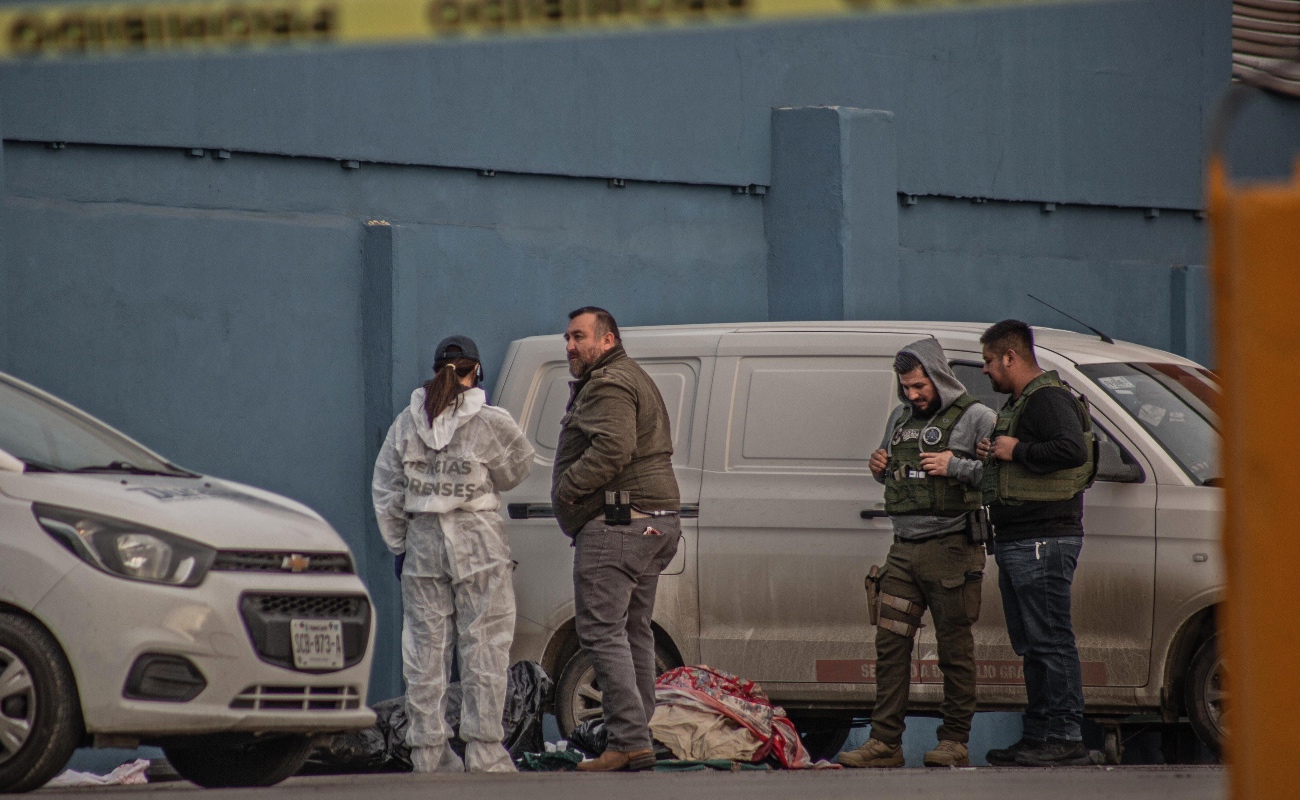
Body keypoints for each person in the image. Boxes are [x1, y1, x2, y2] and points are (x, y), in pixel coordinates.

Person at [371, 335, 536, 773]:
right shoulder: (490, 422)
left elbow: (386, 488)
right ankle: (483, 751)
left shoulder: (407, 423)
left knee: (425, 649)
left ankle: (428, 752)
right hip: (478, 541)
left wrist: (398, 544)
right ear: (476, 369)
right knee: (485, 646)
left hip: (423, 546)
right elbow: (516, 469)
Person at [838, 338, 995, 769]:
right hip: (903, 551)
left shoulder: (978, 417)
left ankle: (955, 741)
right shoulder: (900, 417)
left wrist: (955, 466)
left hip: (952, 549)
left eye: (919, 386)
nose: (911, 395)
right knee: (890, 648)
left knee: (954, 650)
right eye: (905, 387)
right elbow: (898, 475)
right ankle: (885, 742)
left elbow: (1002, 476)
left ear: (939, 377)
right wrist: (878, 468)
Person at [551, 307, 681, 772]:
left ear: (607, 340)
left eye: (579, 337)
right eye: (566, 337)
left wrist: (567, 490)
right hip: (650, 523)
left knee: (602, 632)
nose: (569, 345)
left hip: (620, 525)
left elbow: (613, 449)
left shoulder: (609, 383)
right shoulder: (629, 376)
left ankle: (627, 740)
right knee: (632, 631)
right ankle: (635, 735)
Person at [977, 320, 1095, 767]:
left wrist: (1015, 451)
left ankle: (1064, 735)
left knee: (1049, 642)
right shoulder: (1024, 402)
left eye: (989, 361)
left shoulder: (1048, 398)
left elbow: (1072, 450)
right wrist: (1003, 450)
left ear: (1011, 356)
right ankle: (1039, 734)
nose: (986, 370)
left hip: (1043, 540)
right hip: (1021, 540)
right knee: (1032, 644)